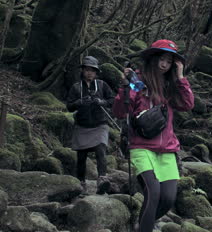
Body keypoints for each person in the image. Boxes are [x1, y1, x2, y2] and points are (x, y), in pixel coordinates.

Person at [112, 40, 194, 232]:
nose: (164, 64)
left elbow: (188, 104)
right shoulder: (136, 80)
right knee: (153, 192)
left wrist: (181, 77)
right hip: (141, 146)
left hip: (167, 148)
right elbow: (120, 111)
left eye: (169, 61)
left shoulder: (171, 85)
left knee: (168, 199)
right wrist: (128, 87)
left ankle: (142, 225)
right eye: (161, 59)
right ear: (153, 58)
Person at [66, 56, 115, 195]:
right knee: (81, 156)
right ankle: (81, 183)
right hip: (82, 125)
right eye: (87, 70)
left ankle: (102, 178)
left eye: (92, 70)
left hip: (100, 124)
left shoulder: (102, 85)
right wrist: (79, 103)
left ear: (96, 72)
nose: (89, 73)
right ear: (82, 71)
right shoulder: (76, 87)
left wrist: (101, 102)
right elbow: (69, 106)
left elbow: (112, 100)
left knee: (101, 149)